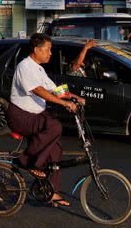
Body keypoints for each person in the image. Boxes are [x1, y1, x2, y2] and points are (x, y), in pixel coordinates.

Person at [5, 33, 85, 208]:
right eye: (47, 49)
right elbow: (39, 90)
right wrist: (63, 103)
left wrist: (73, 97)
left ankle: (52, 192)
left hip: (35, 114)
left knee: (56, 150)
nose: (50, 53)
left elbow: (54, 89)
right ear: (36, 50)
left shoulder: (39, 68)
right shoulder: (24, 67)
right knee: (54, 126)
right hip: (20, 116)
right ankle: (28, 161)